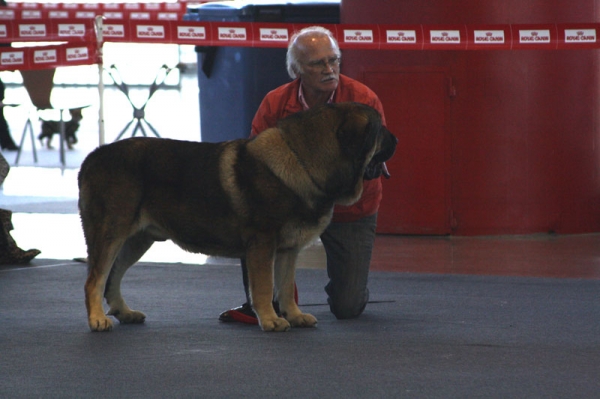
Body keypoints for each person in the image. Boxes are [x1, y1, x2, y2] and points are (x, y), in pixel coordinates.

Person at [219, 26, 388, 324]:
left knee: (348, 307)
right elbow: (255, 167)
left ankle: (346, 283)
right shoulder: (274, 103)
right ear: (296, 70)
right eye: (317, 63)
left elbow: (376, 160)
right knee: (254, 225)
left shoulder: (364, 99)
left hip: (350, 210)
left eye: (334, 60)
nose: (329, 69)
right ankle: (268, 297)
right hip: (289, 210)